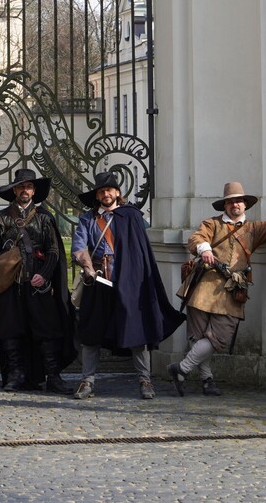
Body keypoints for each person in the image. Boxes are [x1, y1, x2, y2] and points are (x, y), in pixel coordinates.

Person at [168, 182, 266, 396]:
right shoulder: (212, 224)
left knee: (219, 338)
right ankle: (207, 380)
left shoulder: (253, 229)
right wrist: (205, 249)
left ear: (245, 204)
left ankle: (181, 368)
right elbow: (196, 239)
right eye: (231, 201)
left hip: (232, 291)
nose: (235, 204)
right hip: (202, 287)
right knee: (199, 337)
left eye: (239, 201)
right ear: (225, 205)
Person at [71, 171, 184, 400]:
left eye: (109, 190)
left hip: (129, 282)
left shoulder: (131, 216)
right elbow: (79, 247)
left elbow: (142, 250)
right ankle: (87, 381)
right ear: (97, 195)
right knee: (91, 332)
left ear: (117, 192)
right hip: (98, 282)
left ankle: (145, 380)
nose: (106, 194)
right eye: (101, 191)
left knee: (136, 331)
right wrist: (87, 267)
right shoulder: (88, 219)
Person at [0, 168, 76, 394]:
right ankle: (15, 375)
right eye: (21, 186)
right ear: (14, 190)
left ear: (33, 191)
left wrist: (45, 275)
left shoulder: (44, 218)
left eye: (29, 187)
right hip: (9, 284)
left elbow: (53, 251)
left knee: (46, 330)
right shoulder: (1, 218)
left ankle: (53, 376)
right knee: (11, 330)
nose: (25, 190)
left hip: (37, 285)